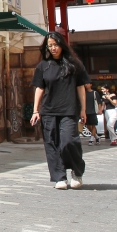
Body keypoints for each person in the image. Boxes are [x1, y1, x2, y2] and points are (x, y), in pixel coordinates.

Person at [30, 32, 87, 190]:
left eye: (55, 44)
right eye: (50, 46)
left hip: (69, 110)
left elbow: (81, 87)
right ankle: (59, 177)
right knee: (52, 144)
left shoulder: (74, 64)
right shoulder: (43, 66)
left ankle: (77, 170)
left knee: (69, 141)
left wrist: (83, 109)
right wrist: (36, 110)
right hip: (48, 111)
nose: (53, 48)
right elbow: (40, 88)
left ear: (61, 44)